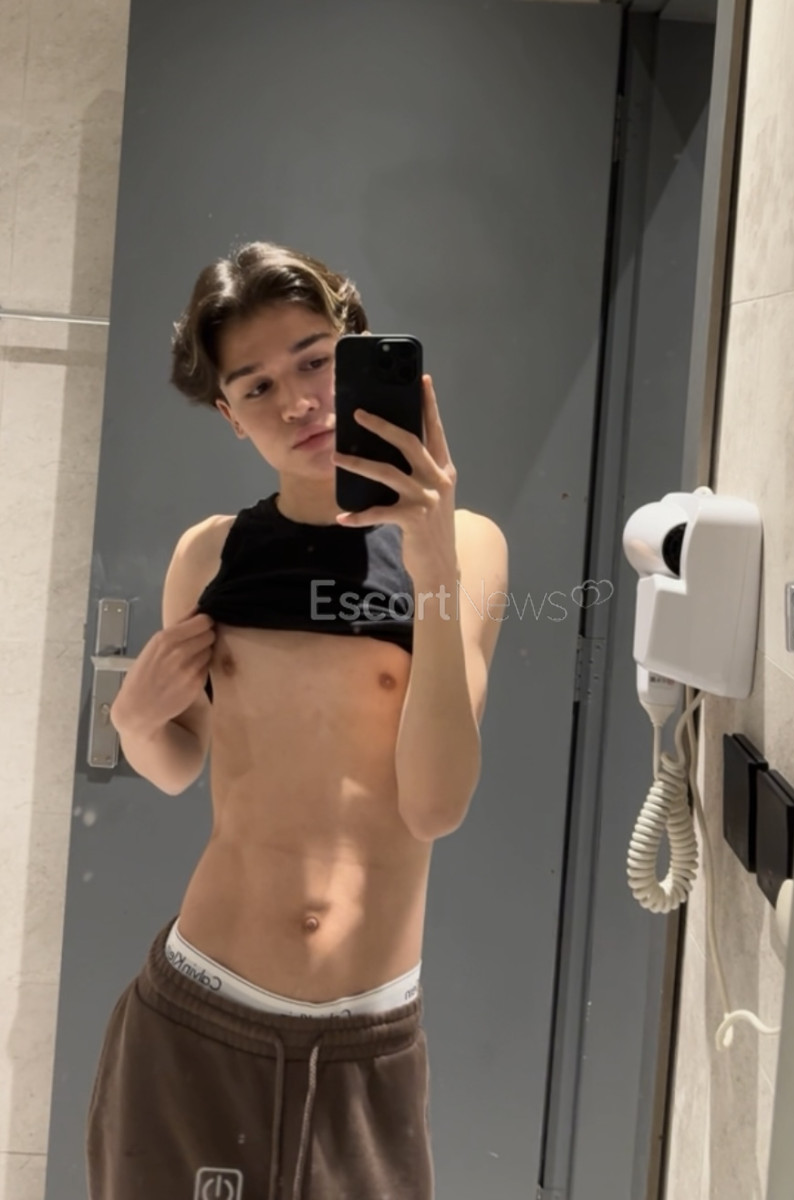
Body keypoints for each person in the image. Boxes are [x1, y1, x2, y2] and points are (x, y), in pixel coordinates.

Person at [85, 241, 508, 1200]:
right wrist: (134, 717)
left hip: (364, 1036)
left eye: (316, 360)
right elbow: (178, 765)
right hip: (199, 1010)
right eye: (258, 387)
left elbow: (435, 804)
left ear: (355, 348)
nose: (300, 403)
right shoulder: (212, 555)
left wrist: (432, 568)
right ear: (230, 416)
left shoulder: (465, 547)